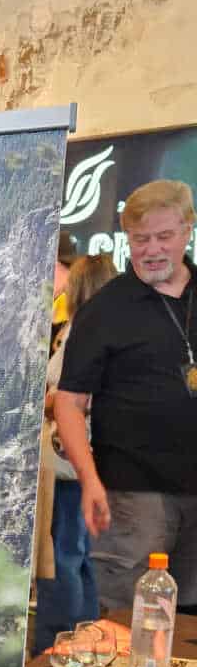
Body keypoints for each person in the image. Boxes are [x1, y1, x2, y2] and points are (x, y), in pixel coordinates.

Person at [55, 180, 197, 611]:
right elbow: (69, 401)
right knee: (127, 616)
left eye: (164, 236)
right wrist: (89, 479)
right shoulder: (104, 310)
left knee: (191, 624)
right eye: (140, 239)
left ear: (187, 230)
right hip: (133, 493)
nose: (152, 249)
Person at [33, 252, 117, 652]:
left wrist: (46, 400)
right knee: (79, 554)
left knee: (59, 556)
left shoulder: (83, 333)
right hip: (82, 461)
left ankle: (57, 639)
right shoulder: (108, 332)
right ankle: (83, 633)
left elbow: (69, 396)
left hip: (65, 463)